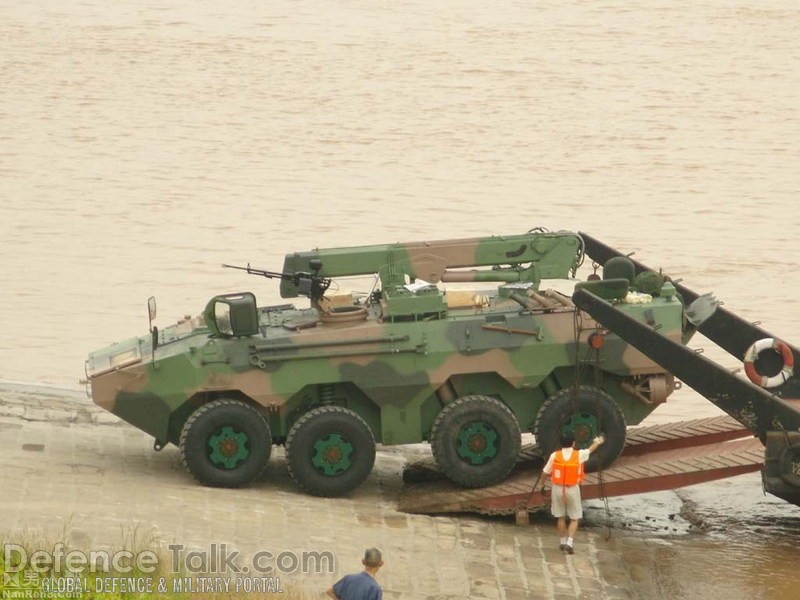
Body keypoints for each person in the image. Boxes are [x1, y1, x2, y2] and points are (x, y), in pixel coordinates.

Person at [541, 433, 605, 554]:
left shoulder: (555, 455)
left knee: (560, 517)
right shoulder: (578, 455)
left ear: (561, 443)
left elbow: (545, 472)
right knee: (574, 518)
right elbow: (591, 449)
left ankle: (562, 542)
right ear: (573, 443)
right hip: (572, 488)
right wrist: (598, 441)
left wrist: (542, 484)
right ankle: (570, 543)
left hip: (557, 488)